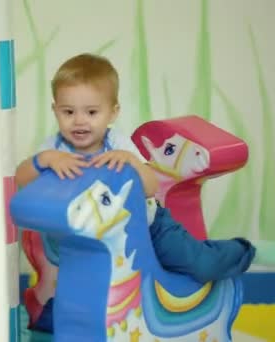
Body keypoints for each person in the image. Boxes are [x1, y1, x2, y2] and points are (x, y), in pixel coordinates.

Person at [15, 53, 256, 283]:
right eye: (68, 112)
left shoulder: (117, 145)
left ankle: (237, 251)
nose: (79, 120)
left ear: (112, 113)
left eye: (91, 112)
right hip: (97, 236)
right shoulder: (55, 149)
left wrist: (131, 162)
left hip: (148, 226)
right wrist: (43, 160)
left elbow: (151, 188)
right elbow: (21, 180)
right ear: (55, 111)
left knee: (199, 264)